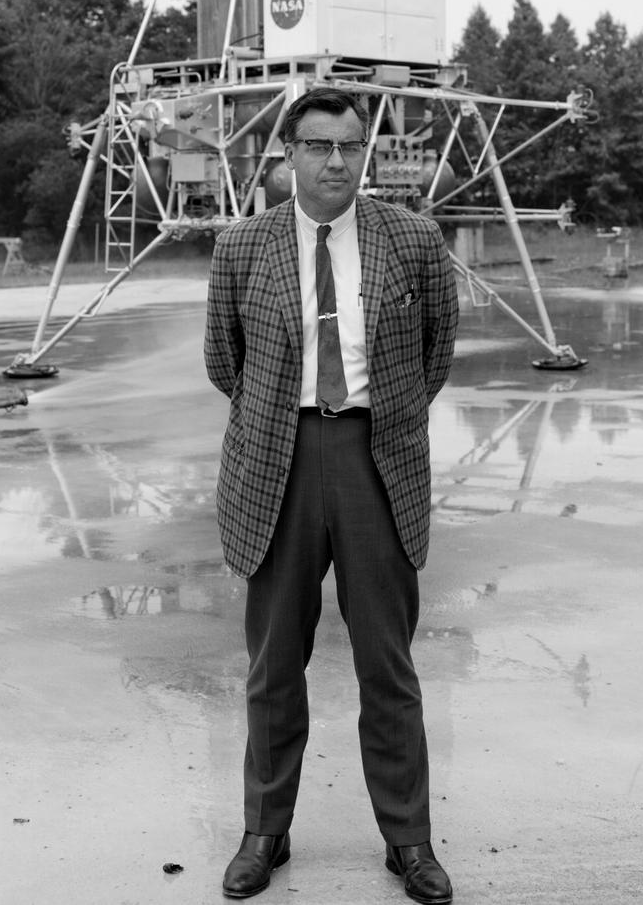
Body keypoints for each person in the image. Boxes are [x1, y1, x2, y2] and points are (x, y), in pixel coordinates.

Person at [204, 86, 459, 903]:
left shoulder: (413, 240)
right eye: (318, 146)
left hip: (374, 456)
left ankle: (408, 839)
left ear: (366, 154)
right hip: (276, 456)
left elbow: (434, 352)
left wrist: (376, 418)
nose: (336, 161)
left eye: (350, 146)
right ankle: (264, 831)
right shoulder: (241, 247)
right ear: (287, 156)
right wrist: (283, 412)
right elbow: (224, 361)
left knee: (388, 661)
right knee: (273, 661)